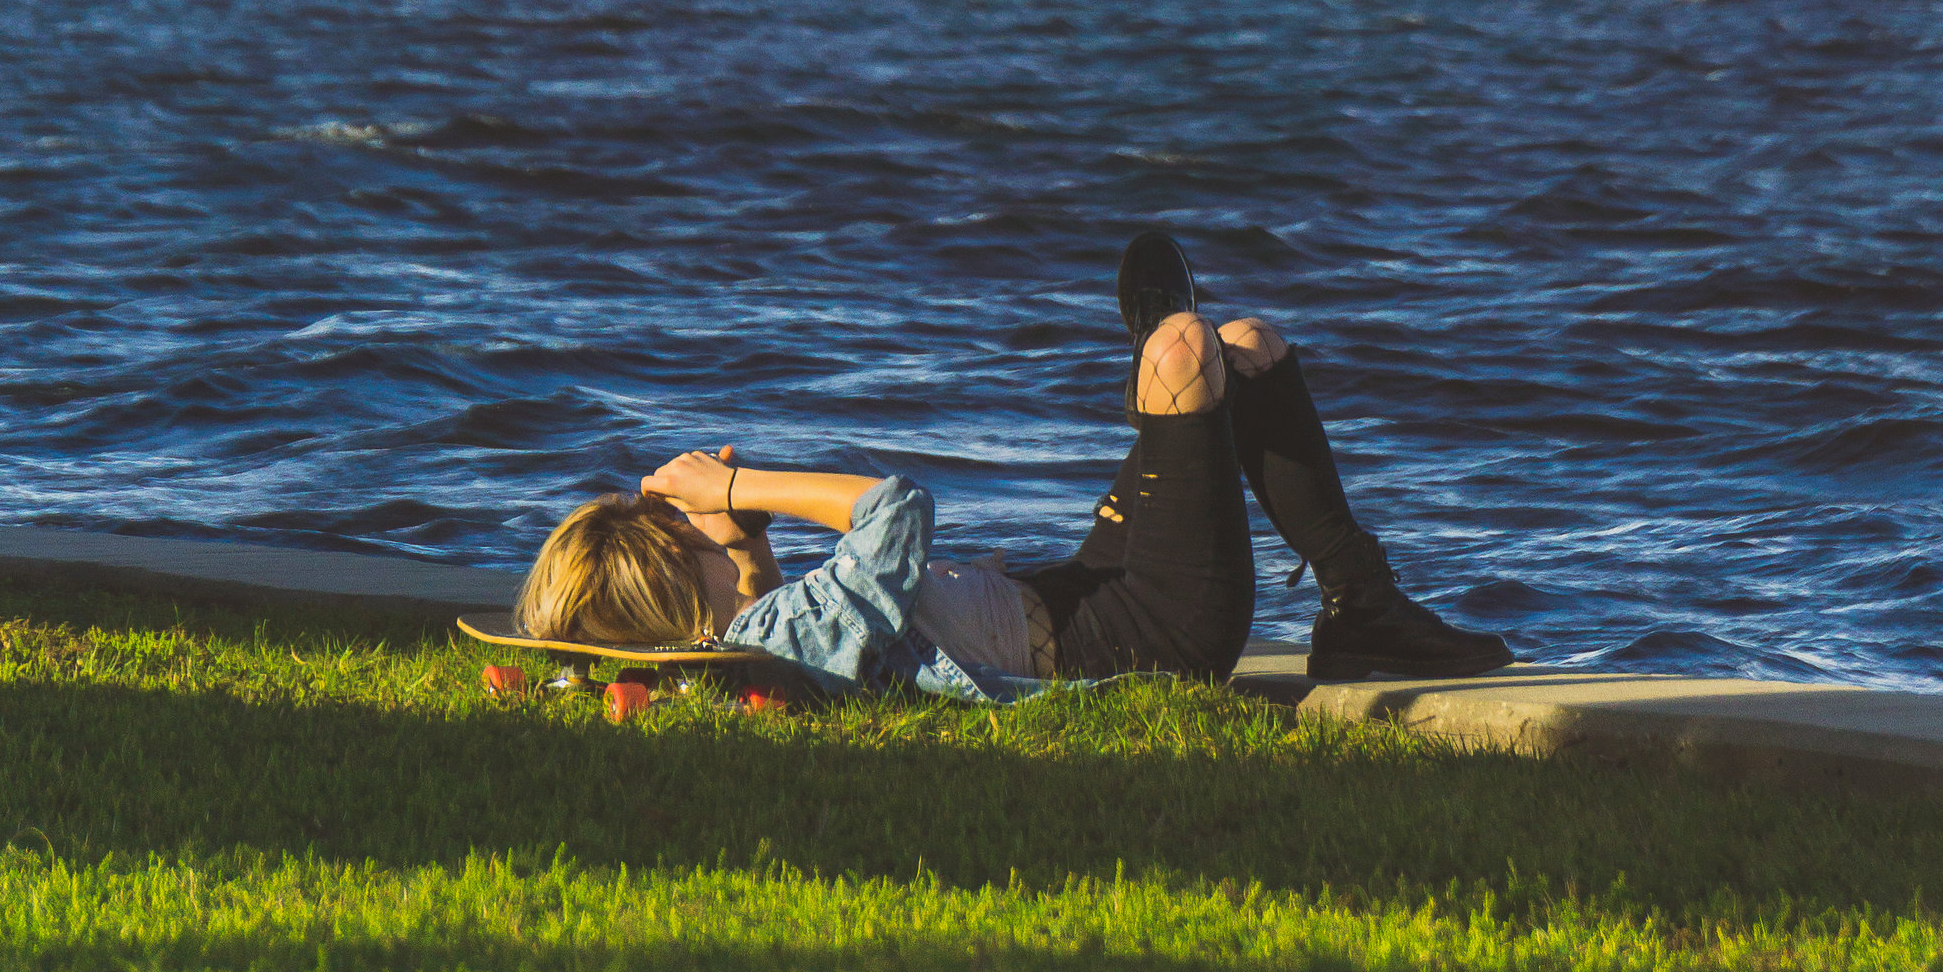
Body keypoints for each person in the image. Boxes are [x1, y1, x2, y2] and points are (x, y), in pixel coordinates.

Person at [513, 229, 1512, 702]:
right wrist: (734, 490)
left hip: (1085, 595)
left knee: (1244, 345)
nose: (705, 520)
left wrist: (737, 531)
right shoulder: (776, 636)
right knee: (1187, 354)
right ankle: (1170, 379)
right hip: (1142, 633)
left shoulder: (778, 630)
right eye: (685, 535)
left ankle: (1356, 601)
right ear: (679, 596)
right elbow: (897, 509)